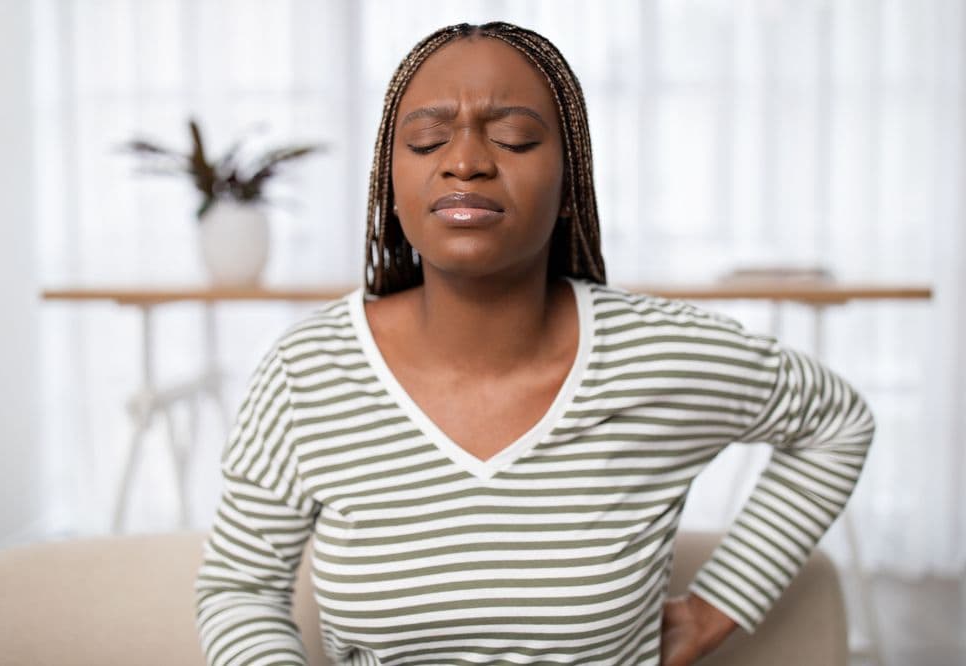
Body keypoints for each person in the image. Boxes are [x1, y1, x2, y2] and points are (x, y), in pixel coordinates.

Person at [195, 21, 874, 666]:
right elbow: (240, 588)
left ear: (570, 184)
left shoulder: (659, 356)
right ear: (391, 189)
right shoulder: (308, 371)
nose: (465, 161)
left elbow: (836, 421)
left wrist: (720, 604)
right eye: (429, 141)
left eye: (515, 138)